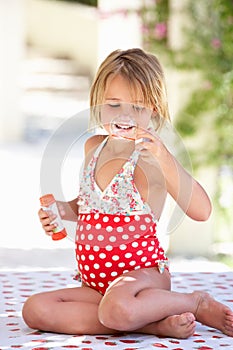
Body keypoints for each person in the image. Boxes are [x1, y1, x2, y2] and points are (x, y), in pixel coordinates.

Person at [22, 48, 233, 339]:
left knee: (116, 308)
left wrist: (165, 158)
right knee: (35, 309)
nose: (125, 115)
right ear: (97, 103)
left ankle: (195, 302)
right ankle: (152, 324)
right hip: (97, 286)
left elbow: (201, 211)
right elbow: (87, 206)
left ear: (154, 110)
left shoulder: (150, 160)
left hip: (142, 283)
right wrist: (59, 210)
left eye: (137, 107)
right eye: (114, 104)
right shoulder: (93, 148)